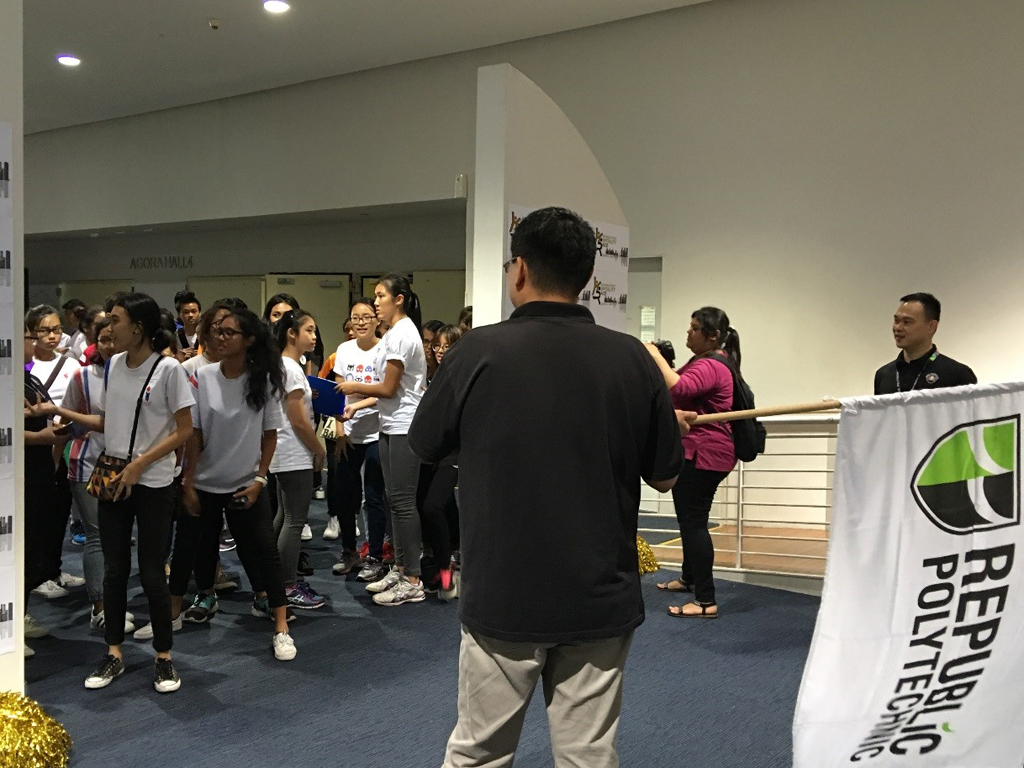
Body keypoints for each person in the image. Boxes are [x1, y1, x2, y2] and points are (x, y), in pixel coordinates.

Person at [409, 207, 684, 767]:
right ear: (585, 278)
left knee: (479, 753)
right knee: (588, 754)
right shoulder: (633, 359)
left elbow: (424, 445)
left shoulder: (476, 351)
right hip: (598, 590)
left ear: (521, 270)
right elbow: (665, 475)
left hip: (503, 589)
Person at [36, 293, 195, 692]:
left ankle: (164, 657)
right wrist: (60, 415)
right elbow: (108, 421)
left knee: (154, 571)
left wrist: (140, 463)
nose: (109, 327)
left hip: (154, 482)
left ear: (137, 328)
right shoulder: (114, 366)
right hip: (114, 481)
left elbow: (184, 430)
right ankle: (114, 653)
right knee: (115, 569)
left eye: (117, 320)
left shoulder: (169, 370)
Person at [180, 308, 297, 661]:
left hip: (247, 483)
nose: (220, 337)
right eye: (217, 331)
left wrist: (260, 479)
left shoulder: (262, 380)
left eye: (230, 332)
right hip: (205, 481)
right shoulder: (201, 377)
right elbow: (194, 435)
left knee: (264, 550)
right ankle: (205, 595)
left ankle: (280, 625)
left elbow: (270, 435)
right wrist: (188, 480)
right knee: (202, 545)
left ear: (248, 340)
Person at [337, 275, 427, 606]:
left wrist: (353, 389)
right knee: (393, 499)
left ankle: (413, 578)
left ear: (398, 299)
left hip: (405, 425)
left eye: (380, 296)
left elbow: (388, 389)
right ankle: (400, 567)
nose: (376, 302)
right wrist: (358, 398)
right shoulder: (392, 334)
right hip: (390, 424)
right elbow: (387, 390)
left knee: (403, 502)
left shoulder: (403, 334)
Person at [646, 307, 740, 619]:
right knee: (688, 520)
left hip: (705, 454)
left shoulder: (713, 365)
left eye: (695, 328)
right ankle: (690, 578)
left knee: (694, 522)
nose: (688, 332)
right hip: (697, 452)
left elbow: (681, 388)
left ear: (712, 336)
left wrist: (654, 355)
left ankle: (705, 600)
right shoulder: (703, 362)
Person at [61, 317, 136, 634]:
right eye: (103, 339)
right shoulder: (82, 377)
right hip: (89, 464)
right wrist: (54, 464)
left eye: (114, 338)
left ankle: (114, 603)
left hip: (128, 468)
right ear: (95, 342)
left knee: (117, 539)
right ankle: (99, 607)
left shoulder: (137, 376)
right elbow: (68, 426)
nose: (110, 345)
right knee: (97, 537)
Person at [270, 309, 328, 609]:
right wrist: (318, 449)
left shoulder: (287, 367)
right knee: (294, 521)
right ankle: (287, 586)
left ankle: (280, 581)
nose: (314, 336)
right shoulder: (291, 368)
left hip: (286, 451)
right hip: (293, 452)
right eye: (309, 330)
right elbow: (298, 419)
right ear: (291, 333)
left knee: (284, 518)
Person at [26, 304, 84, 599]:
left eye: (57, 329)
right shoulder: (25, 367)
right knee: (37, 516)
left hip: (65, 446)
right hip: (35, 448)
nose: (52, 336)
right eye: (45, 330)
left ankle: (53, 568)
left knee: (60, 509)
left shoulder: (71, 365)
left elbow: (77, 405)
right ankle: (36, 575)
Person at [333, 299, 388, 580]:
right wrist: (340, 432)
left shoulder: (385, 349)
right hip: (349, 433)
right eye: (356, 317)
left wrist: (357, 404)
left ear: (376, 321)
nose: (362, 322)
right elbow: (339, 391)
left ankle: (375, 556)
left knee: (374, 497)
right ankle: (349, 552)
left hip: (377, 433)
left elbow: (384, 390)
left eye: (367, 316)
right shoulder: (344, 349)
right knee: (345, 496)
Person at [22, 321, 66, 655]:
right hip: (16, 472)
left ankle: (18, 614)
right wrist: (40, 438)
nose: (35, 340)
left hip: (39, 471)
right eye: (30, 335)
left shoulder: (30, 378)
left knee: (31, 544)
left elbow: (49, 415)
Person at [417, 323, 464, 597]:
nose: (440, 352)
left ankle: (448, 574)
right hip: (432, 451)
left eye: (448, 346)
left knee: (432, 506)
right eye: (437, 346)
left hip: (455, 452)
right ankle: (443, 564)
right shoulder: (432, 376)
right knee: (436, 506)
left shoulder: (462, 376)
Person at [873, 292, 977, 395]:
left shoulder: (958, 374)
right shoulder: (883, 375)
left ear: (931, 326)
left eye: (907, 322)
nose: (898, 328)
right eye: (896, 320)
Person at [174, 290, 202, 361]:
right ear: (179, 315)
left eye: (194, 311)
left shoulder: (206, 335)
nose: (190, 315)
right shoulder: (175, 337)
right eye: (186, 312)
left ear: (199, 313)